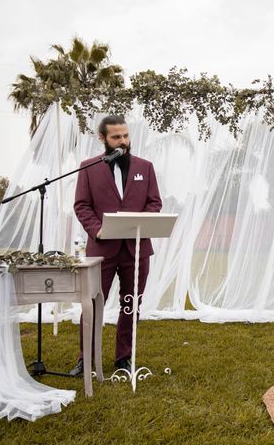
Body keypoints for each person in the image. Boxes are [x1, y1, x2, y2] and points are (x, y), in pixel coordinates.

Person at [70, 115, 162, 376]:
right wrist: (97, 229)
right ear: (103, 139)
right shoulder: (87, 167)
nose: (123, 141)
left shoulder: (146, 167)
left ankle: (124, 357)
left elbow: (154, 202)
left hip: (137, 249)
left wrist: (142, 221)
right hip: (101, 250)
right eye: (116, 137)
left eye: (125, 135)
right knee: (93, 304)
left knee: (131, 304)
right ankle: (85, 358)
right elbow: (82, 205)